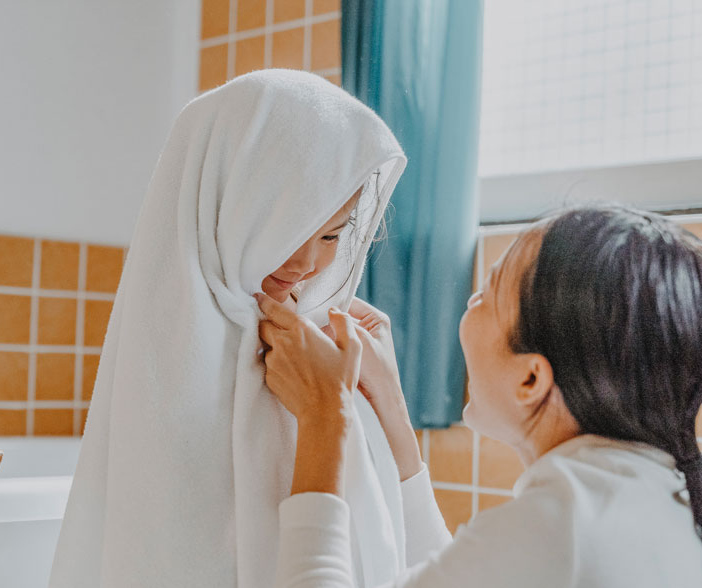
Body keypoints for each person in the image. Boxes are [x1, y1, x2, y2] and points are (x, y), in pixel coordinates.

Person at [48, 69, 412, 587]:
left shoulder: (329, 354)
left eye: (333, 235)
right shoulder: (167, 366)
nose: (308, 263)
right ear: (226, 206)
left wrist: (378, 407)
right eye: (289, 226)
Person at [258, 205, 702, 587]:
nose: (471, 301)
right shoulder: (647, 492)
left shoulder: (564, 519)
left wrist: (324, 415)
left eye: (487, 295)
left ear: (531, 380)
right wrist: (391, 407)